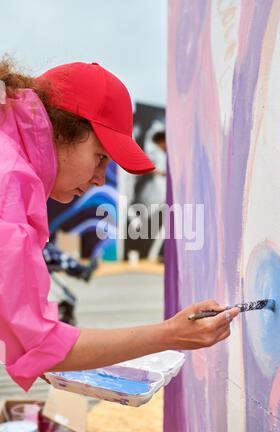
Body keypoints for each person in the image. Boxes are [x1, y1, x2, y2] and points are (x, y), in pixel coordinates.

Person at [0, 58, 240, 392]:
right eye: (101, 158)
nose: (101, 180)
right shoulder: (9, 181)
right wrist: (171, 334)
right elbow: (41, 345)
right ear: (62, 129)